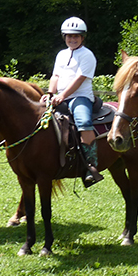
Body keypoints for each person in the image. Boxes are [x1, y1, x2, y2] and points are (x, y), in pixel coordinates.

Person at [44, 17, 103, 185]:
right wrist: (50, 93)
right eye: (69, 36)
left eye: (76, 36)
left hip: (80, 97)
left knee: (83, 121)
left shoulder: (87, 55)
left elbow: (79, 79)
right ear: (64, 37)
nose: (72, 39)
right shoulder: (61, 55)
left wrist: (62, 96)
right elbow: (55, 76)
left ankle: (91, 165)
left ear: (82, 37)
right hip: (59, 96)